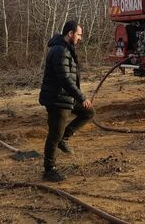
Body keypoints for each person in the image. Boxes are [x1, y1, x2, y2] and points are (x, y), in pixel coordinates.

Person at [39, 20, 94, 182]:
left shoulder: (67, 49)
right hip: (57, 99)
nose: (80, 38)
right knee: (54, 135)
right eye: (79, 34)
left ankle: (65, 136)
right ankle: (49, 170)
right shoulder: (60, 51)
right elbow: (64, 78)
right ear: (70, 34)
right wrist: (81, 97)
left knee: (89, 112)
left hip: (65, 97)